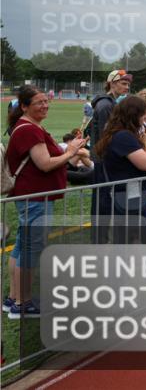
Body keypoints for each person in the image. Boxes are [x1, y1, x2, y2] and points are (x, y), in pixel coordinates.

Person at [4, 85, 87, 318]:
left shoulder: (25, 127)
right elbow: (45, 164)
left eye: (46, 101)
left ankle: (14, 298)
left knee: (23, 246)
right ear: (24, 106)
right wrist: (70, 152)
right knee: (30, 248)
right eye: (39, 102)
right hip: (36, 197)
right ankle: (23, 303)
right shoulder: (29, 129)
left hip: (33, 196)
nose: (45, 105)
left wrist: (69, 150)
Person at [94, 95, 146, 247]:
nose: (144, 117)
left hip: (131, 195)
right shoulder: (123, 136)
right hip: (129, 197)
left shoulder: (120, 133)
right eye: (142, 114)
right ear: (134, 115)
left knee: (135, 240)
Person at [89, 69, 131, 240]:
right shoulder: (106, 105)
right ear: (112, 83)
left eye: (128, 84)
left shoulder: (109, 103)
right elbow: (106, 136)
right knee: (103, 201)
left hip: (104, 159)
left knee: (104, 200)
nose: (127, 87)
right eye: (123, 83)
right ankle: (100, 240)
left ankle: (101, 238)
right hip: (104, 161)